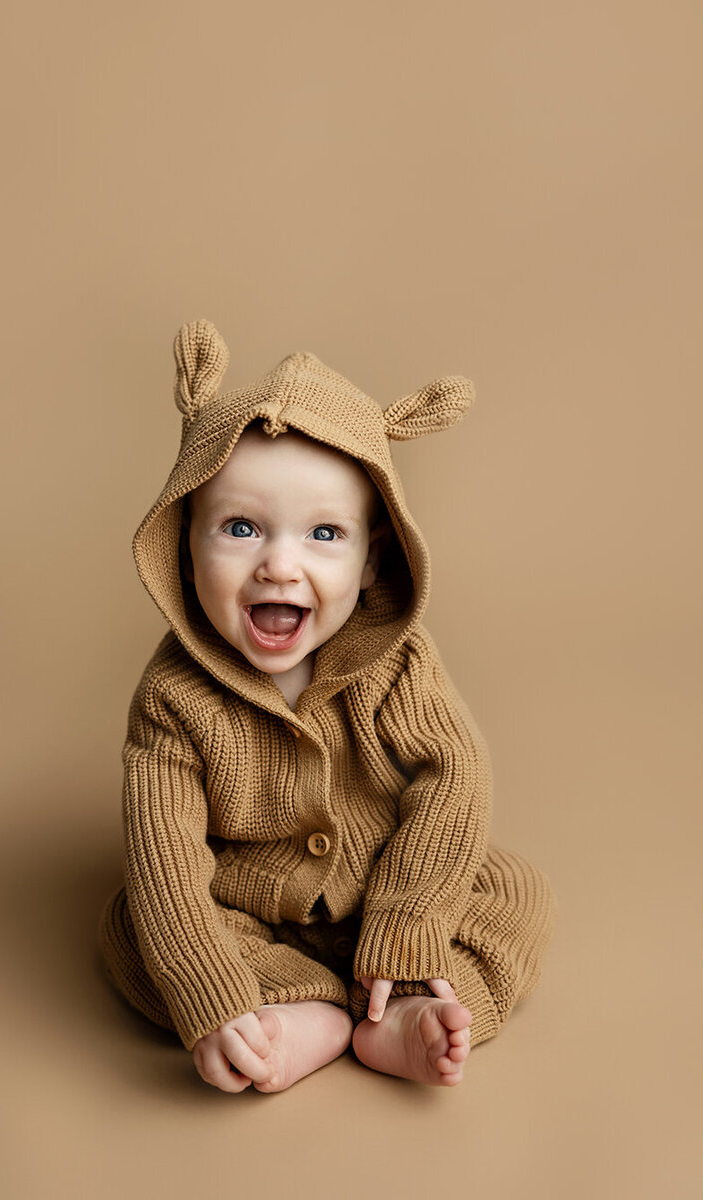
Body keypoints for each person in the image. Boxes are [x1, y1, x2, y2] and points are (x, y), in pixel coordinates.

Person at [97, 317, 557, 1093]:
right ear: (185, 545)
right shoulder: (173, 697)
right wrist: (210, 994)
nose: (280, 565)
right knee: (138, 926)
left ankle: (408, 1006)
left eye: (323, 534)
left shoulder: (397, 664)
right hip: (246, 908)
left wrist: (408, 927)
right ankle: (295, 1011)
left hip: (386, 881)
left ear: (372, 558)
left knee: (515, 894)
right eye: (241, 528)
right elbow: (165, 850)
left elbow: (454, 774)